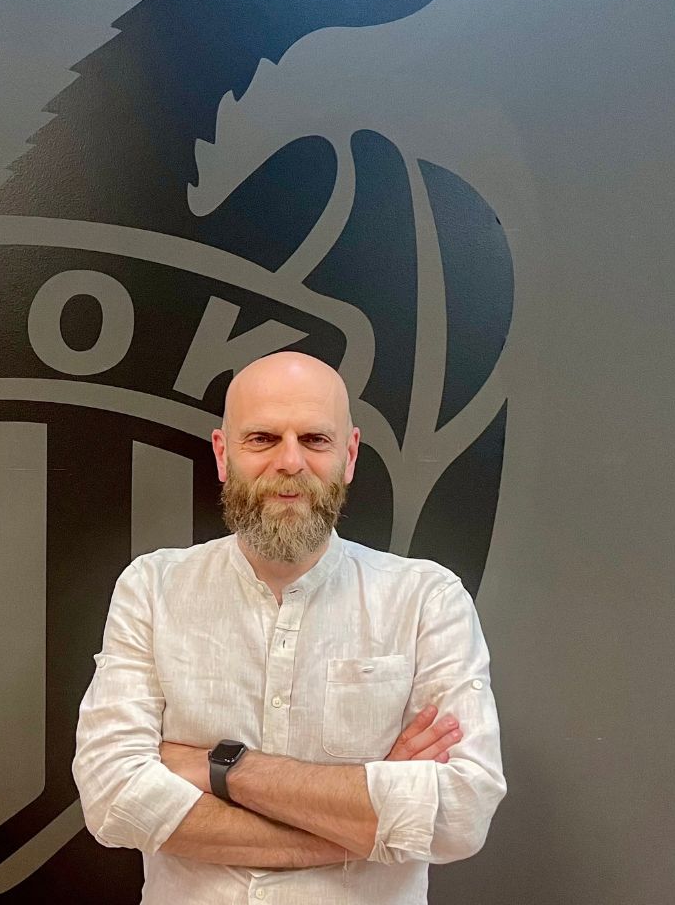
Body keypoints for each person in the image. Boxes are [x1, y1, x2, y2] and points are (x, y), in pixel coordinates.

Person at [73, 351, 505, 904]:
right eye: (262, 439)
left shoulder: (426, 599)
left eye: (316, 440)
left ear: (349, 455)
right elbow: (113, 798)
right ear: (223, 454)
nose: (290, 462)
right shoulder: (153, 589)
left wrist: (223, 767)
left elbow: (461, 812)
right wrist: (368, 822)